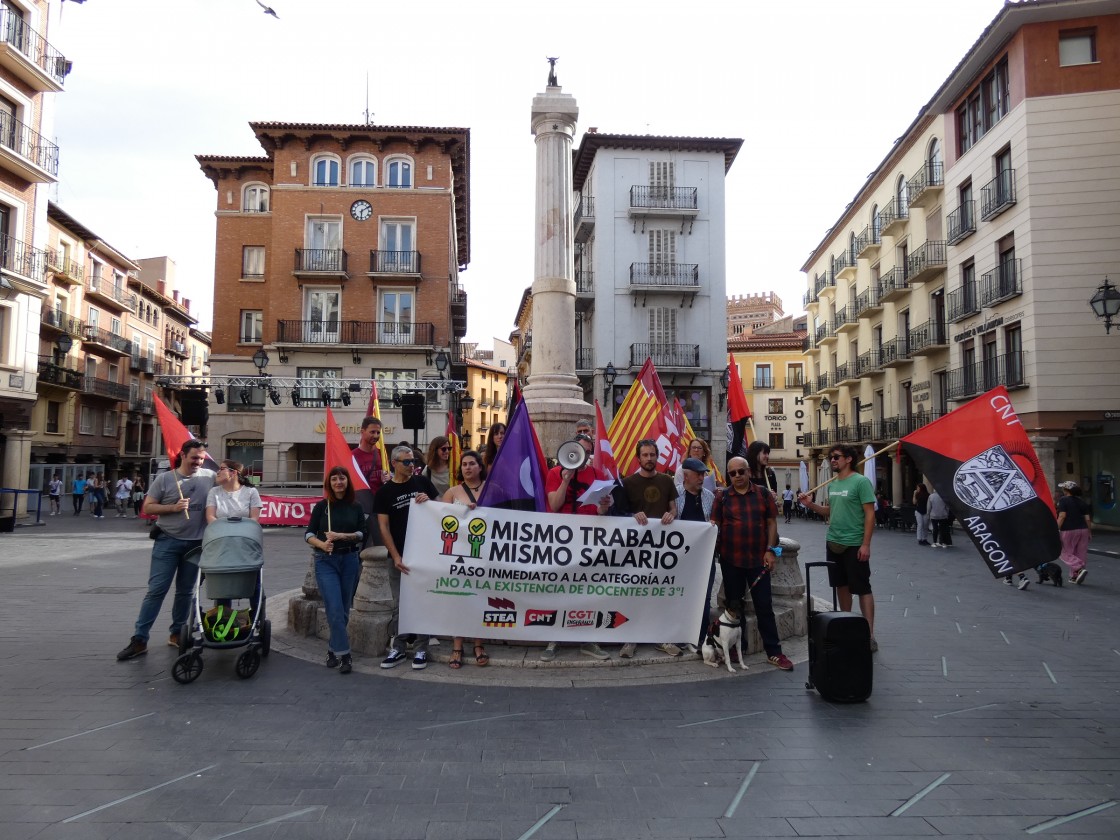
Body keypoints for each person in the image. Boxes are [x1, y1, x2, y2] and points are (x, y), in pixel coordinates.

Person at [116, 439, 215, 661]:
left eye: (201, 458)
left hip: (196, 544)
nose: (198, 462)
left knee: (186, 592)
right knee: (156, 590)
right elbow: (148, 507)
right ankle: (140, 639)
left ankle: (177, 633)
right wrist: (173, 507)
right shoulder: (165, 479)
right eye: (194, 458)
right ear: (182, 455)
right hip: (167, 541)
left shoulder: (209, 478)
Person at [714, 456, 794, 671]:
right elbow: (715, 525)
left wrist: (772, 551)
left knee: (764, 606)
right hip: (731, 560)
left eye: (741, 471)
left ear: (749, 471)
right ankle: (735, 649)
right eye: (733, 473)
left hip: (758, 560)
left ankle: (774, 652)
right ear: (729, 475)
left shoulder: (763, 493)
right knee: (733, 606)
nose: (738, 476)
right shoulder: (722, 497)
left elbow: (771, 524)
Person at [798, 444, 878, 652]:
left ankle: (868, 634)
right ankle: (848, 625)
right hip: (833, 542)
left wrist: (866, 544)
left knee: (862, 588)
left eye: (836, 457)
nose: (832, 460)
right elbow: (830, 512)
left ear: (849, 459)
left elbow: (870, 514)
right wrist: (810, 505)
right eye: (830, 457)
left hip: (854, 543)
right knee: (841, 586)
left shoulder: (861, 482)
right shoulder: (833, 484)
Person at [540, 430, 611, 662]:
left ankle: (588, 639)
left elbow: (601, 512)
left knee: (588, 589)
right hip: (562, 540)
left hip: (589, 539)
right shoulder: (554, 473)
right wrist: (566, 479)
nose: (584, 456)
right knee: (559, 588)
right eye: (580, 451)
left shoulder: (597, 474)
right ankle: (553, 638)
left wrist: (604, 506)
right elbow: (554, 503)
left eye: (588, 453)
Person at [610, 438, 679, 658]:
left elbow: (673, 507)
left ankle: (661, 638)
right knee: (634, 593)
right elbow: (620, 515)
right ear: (637, 458)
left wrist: (672, 514)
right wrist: (632, 516)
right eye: (645, 455)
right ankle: (631, 638)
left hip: (661, 549)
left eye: (652, 455)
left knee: (659, 593)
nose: (649, 459)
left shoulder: (667, 481)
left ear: (657, 456)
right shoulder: (627, 483)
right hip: (636, 550)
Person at [376, 444, 439, 670]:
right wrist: (395, 556)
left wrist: (430, 502)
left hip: (423, 554)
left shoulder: (422, 482)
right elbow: (383, 527)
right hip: (400, 556)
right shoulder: (384, 492)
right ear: (394, 464)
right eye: (406, 462)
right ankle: (399, 647)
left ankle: (422, 648)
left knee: (423, 601)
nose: (412, 465)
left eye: (413, 461)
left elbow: (441, 511)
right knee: (400, 604)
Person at [306, 467, 366, 674]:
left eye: (342, 478)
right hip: (326, 561)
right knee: (334, 608)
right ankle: (345, 654)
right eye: (334, 479)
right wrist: (322, 544)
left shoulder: (355, 506)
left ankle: (332, 649)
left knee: (343, 610)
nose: (338, 482)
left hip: (349, 560)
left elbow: (361, 533)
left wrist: (342, 536)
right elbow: (308, 534)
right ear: (329, 483)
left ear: (348, 481)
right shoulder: (322, 507)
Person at [435, 450, 491, 668]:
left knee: (480, 598)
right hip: (458, 553)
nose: (467, 467)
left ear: (479, 466)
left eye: (472, 463)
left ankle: (479, 644)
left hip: (484, 552)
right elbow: (440, 518)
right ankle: (457, 645)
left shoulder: (491, 488)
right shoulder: (452, 492)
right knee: (459, 598)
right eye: (464, 464)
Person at [675, 457, 716, 654]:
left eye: (703, 474)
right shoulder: (675, 495)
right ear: (686, 475)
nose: (702, 477)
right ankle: (680, 634)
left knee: (704, 597)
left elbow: (714, 520)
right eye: (698, 474)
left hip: (704, 558)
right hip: (681, 559)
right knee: (681, 595)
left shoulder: (709, 496)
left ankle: (700, 636)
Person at [351, 416, 389, 544]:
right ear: (362, 432)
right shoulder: (352, 456)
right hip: (361, 509)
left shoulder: (381, 454)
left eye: (378, 432)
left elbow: (388, 478)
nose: (376, 435)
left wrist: (389, 478)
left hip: (379, 508)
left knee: (379, 544)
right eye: (372, 432)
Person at [1056, 480, 1091, 584]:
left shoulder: (1063, 500)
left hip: (1068, 530)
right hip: (1083, 529)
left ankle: (1078, 568)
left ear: (1066, 490)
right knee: (1080, 552)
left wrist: (1056, 529)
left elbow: (1062, 516)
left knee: (1064, 552)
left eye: (1063, 488)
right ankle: (1075, 576)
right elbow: (1087, 518)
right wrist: (1089, 532)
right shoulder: (1082, 502)